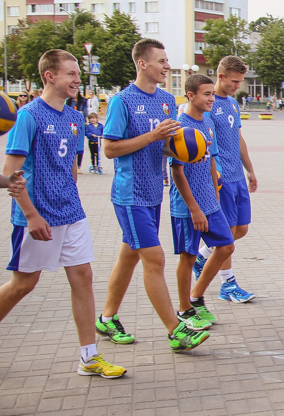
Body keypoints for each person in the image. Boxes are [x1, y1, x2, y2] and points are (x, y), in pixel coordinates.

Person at [0, 49, 120, 377]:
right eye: (71, 74)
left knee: (83, 277)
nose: (78, 80)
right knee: (23, 285)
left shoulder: (75, 117)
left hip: (71, 213)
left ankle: (89, 357)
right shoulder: (28, 116)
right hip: (38, 216)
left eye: (78, 74)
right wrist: (31, 215)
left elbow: (71, 168)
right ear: (50, 76)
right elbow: (11, 175)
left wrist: (71, 200)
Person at [97, 38, 207, 352]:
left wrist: (189, 151)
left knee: (129, 255)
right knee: (155, 259)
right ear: (142, 63)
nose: (167, 66)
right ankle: (176, 331)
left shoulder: (166, 101)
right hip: (130, 194)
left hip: (153, 192)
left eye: (167, 61)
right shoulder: (122, 101)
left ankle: (107, 318)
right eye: (161, 61)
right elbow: (109, 149)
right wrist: (152, 136)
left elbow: (165, 146)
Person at [168, 74, 236, 331]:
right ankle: (184, 309)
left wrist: (215, 195)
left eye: (212, 94)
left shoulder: (208, 122)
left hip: (210, 201)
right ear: (191, 95)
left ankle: (196, 296)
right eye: (206, 94)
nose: (211, 99)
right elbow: (177, 172)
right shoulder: (179, 127)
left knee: (226, 246)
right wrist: (194, 209)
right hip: (188, 206)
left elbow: (211, 159)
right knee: (187, 257)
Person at [192, 56, 258, 303]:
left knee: (241, 229)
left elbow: (238, 138)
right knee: (227, 236)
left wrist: (250, 169)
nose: (238, 86)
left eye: (240, 82)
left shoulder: (232, 103)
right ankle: (227, 284)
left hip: (237, 176)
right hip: (222, 179)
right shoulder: (208, 106)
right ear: (221, 77)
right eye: (234, 81)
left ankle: (202, 256)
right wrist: (213, 179)